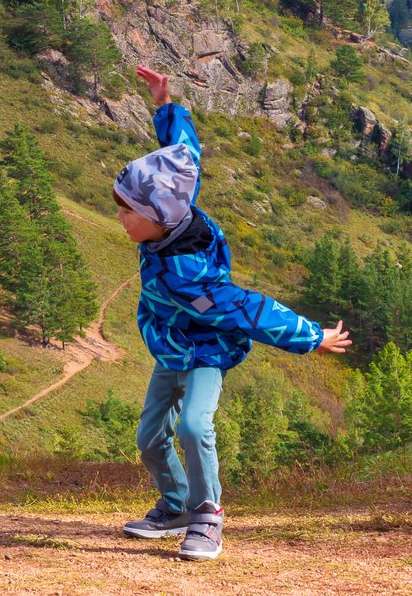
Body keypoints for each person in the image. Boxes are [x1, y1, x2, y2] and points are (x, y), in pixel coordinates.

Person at [114, 65, 351, 561]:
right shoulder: (173, 206)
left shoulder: (189, 275)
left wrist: (314, 338)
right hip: (171, 346)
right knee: (149, 437)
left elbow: (251, 311)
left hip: (206, 350)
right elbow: (184, 155)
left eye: (126, 209)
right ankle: (176, 505)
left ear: (156, 218)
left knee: (194, 427)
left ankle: (207, 516)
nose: (119, 216)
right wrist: (164, 104)